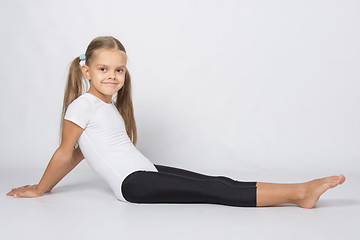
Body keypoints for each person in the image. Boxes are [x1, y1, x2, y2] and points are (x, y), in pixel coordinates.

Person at [6, 36, 345, 208]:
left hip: (145, 172)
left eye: (118, 70)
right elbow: (67, 153)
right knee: (216, 191)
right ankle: (300, 192)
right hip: (134, 185)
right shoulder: (83, 105)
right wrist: (40, 188)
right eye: (103, 69)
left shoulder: (103, 107)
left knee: (219, 180)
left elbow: (84, 152)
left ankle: (298, 192)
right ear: (86, 71)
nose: (112, 76)